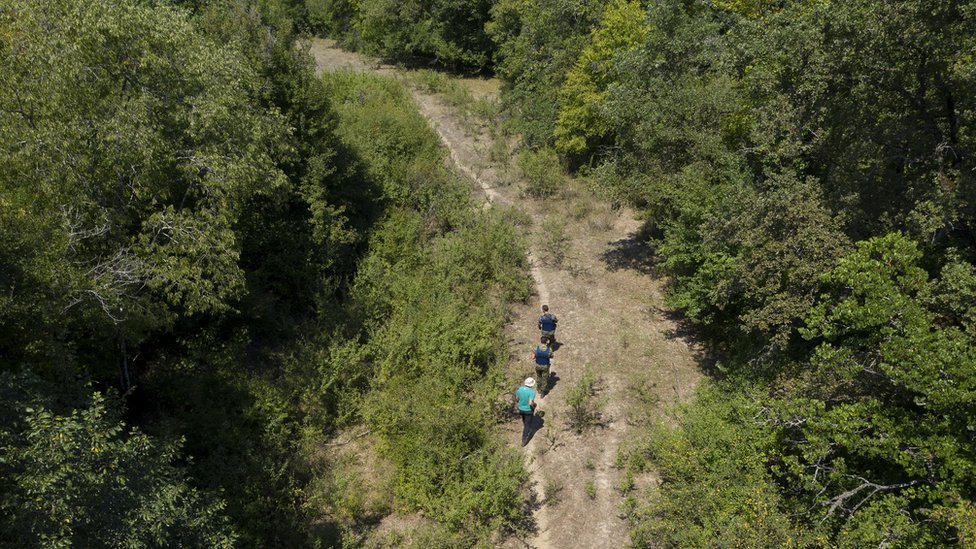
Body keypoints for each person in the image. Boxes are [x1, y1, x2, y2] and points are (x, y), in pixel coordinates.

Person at [516, 377, 537, 446]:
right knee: (527, 425)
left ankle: (526, 427)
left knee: (524, 419)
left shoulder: (519, 389)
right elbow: (530, 402)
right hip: (528, 410)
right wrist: (534, 405)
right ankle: (524, 440)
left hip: (520, 409)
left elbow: (517, 398)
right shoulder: (531, 392)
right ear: (532, 385)